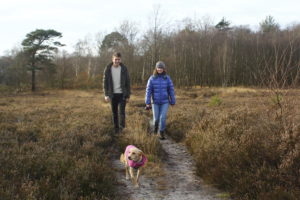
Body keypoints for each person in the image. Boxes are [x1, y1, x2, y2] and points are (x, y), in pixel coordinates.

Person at [145, 61, 176, 140]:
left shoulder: (167, 78)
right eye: (158, 68)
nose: (160, 69)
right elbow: (148, 91)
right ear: (156, 68)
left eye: (161, 68)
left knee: (163, 118)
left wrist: (172, 101)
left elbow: (171, 90)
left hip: (165, 102)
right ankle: (155, 130)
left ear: (163, 69)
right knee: (156, 119)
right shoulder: (152, 78)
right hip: (155, 102)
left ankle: (161, 132)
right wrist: (147, 102)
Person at [103, 52, 131, 133]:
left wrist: (128, 95)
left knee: (122, 112)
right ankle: (116, 129)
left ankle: (122, 129)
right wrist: (106, 95)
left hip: (122, 94)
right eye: (115, 59)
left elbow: (128, 82)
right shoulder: (108, 69)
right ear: (113, 59)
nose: (117, 61)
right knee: (114, 112)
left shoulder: (124, 69)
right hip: (112, 95)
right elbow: (105, 83)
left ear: (120, 60)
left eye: (118, 59)